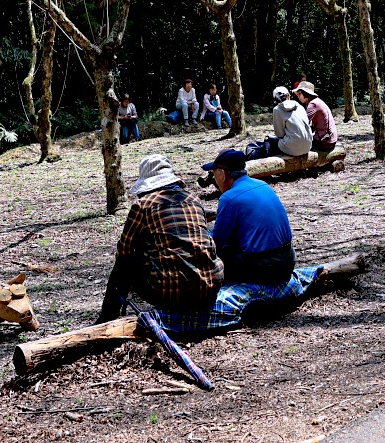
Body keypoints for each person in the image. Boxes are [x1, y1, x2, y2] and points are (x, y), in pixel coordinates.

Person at [95, 155, 224, 324]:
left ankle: (107, 317)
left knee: (124, 264)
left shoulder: (143, 205)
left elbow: (124, 251)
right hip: (210, 287)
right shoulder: (193, 199)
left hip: (170, 294)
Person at [208, 149, 295, 285]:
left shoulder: (229, 198)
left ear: (223, 174)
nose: (215, 180)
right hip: (288, 261)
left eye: (214, 174)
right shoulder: (262, 185)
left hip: (265, 269)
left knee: (208, 240)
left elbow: (218, 243)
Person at [293, 81, 338, 151]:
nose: (298, 97)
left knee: (297, 147)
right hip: (330, 138)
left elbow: (302, 123)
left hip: (325, 141)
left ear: (306, 93)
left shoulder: (313, 104)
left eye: (299, 94)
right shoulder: (316, 101)